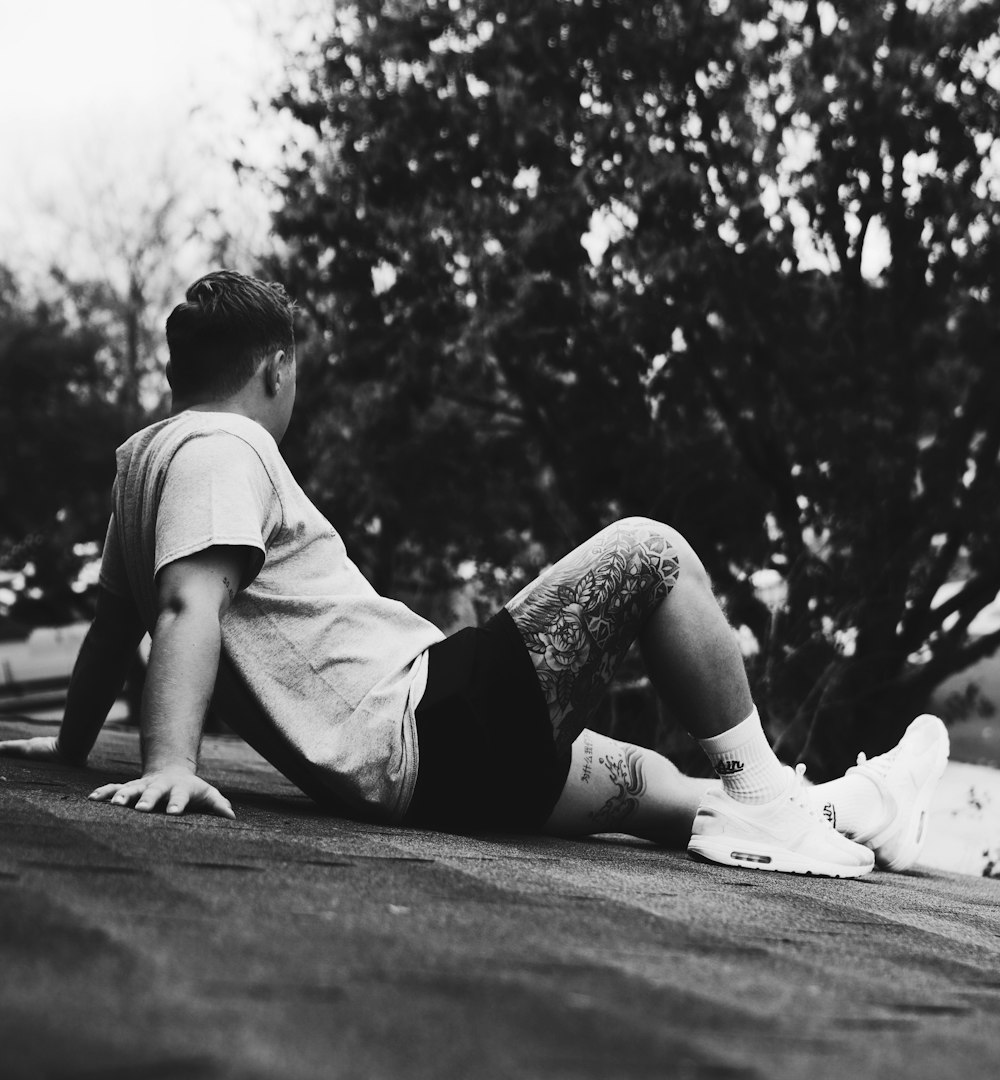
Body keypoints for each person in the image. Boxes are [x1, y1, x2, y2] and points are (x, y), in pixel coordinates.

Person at [0, 271, 949, 879]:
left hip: (448, 770)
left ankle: (862, 812)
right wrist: (169, 764)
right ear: (277, 368)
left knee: (676, 795)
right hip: (427, 724)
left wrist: (74, 747)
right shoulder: (226, 445)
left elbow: (113, 627)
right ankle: (781, 803)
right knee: (651, 551)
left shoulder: (142, 468)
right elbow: (183, 602)